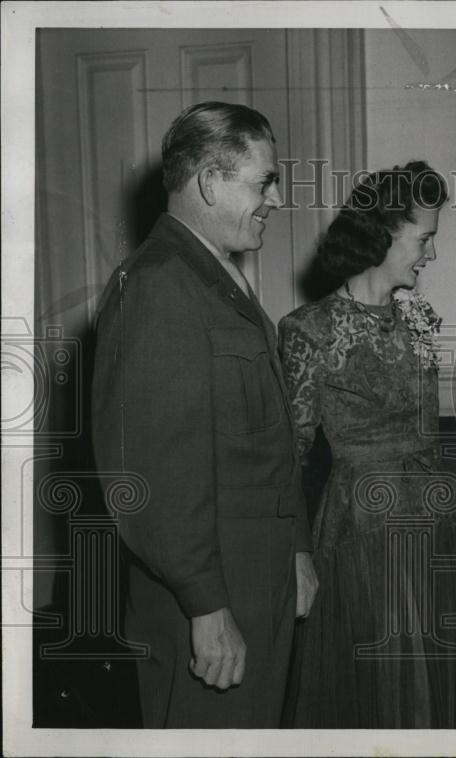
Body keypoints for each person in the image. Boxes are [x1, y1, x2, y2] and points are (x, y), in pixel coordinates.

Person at [91, 101, 317, 728]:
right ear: (210, 182)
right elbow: (155, 475)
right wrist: (205, 606)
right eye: (264, 180)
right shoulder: (162, 284)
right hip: (210, 598)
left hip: (255, 577)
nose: (275, 197)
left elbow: (267, 439)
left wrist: (295, 547)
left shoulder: (216, 276)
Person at [279, 161, 456, 728]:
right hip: (363, 531)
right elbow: (289, 458)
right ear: (384, 232)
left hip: (439, 526)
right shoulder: (308, 330)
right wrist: (297, 553)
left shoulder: (420, 317)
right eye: (425, 239)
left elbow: (429, 431)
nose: (432, 255)